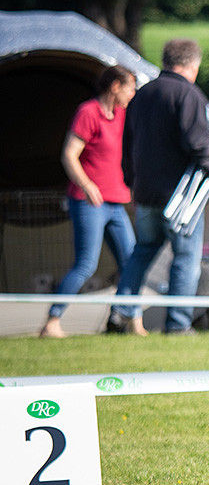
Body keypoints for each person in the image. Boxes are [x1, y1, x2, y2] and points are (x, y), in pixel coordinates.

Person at [107, 39, 209, 335]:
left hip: (145, 192)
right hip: (181, 196)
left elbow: (126, 145)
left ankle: (119, 314)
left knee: (143, 251)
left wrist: (131, 182)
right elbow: (197, 142)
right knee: (186, 257)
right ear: (193, 64)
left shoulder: (141, 95)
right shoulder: (188, 94)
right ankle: (177, 324)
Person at [40, 66, 143, 338]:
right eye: (130, 87)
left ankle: (132, 322)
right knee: (86, 265)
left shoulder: (122, 115)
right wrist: (87, 185)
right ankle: (52, 322)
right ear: (115, 87)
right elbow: (69, 155)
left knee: (132, 262)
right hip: (88, 202)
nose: (133, 93)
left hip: (115, 202)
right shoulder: (88, 112)